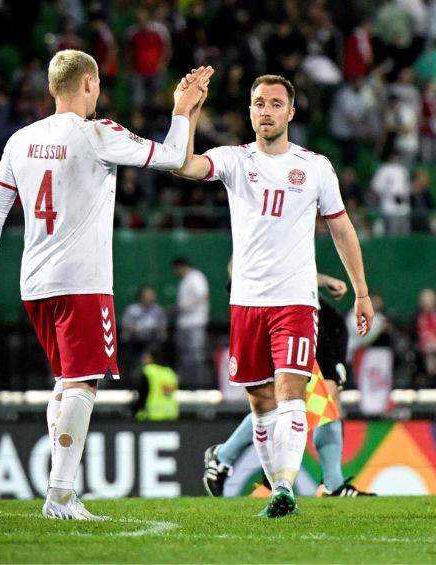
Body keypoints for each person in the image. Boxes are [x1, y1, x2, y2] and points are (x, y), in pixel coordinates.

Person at [0, 49, 212, 520]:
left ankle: (63, 493)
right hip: (82, 281)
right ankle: (58, 495)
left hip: (34, 284)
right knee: (83, 383)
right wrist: (182, 108)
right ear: (90, 84)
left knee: (65, 383)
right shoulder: (98, 133)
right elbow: (176, 157)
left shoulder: (20, 140)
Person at [174, 74, 374, 518]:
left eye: (275, 103)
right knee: (261, 402)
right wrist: (186, 112)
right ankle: (279, 484)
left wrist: (361, 291)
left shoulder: (316, 166)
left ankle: (283, 488)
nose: (266, 111)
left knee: (291, 392)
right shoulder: (233, 160)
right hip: (246, 302)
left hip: (296, 302)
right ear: (250, 111)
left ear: (291, 112)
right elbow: (183, 165)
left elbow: (341, 228)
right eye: (258, 103)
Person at [203, 273, 374, 498]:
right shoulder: (253, 253)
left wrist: (323, 281)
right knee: (282, 400)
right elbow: (238, 264)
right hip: (279, 310)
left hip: (308, 314)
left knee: (320, 400)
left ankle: (332, 483)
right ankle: (233, 459)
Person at [171, 257, 210, 389]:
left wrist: (186, 308)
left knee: (195, 354)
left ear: (180, 266)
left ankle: (196, 384)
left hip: (195, 322)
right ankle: (187, 383)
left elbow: (203, 296)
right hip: (184, 323)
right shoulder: (185, 280)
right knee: (184, 354)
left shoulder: (196, 277)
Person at [120, 285, 168, 381]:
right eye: (147, 295)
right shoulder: (132, 309)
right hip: (134, 340)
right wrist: (138, 330)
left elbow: (162, 328)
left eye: (151, 295)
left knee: (158, 346)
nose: (149, 298)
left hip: (150, 340)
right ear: (141, 296)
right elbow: (126, 326)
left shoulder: (157, 310)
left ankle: (153, 375)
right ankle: (131, 378)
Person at [133, 345, 179, 421]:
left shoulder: (148, 371)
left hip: (151, 416)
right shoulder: (170, 372)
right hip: (171, 415)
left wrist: (136, 410)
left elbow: (143, 394)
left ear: (150, 357)